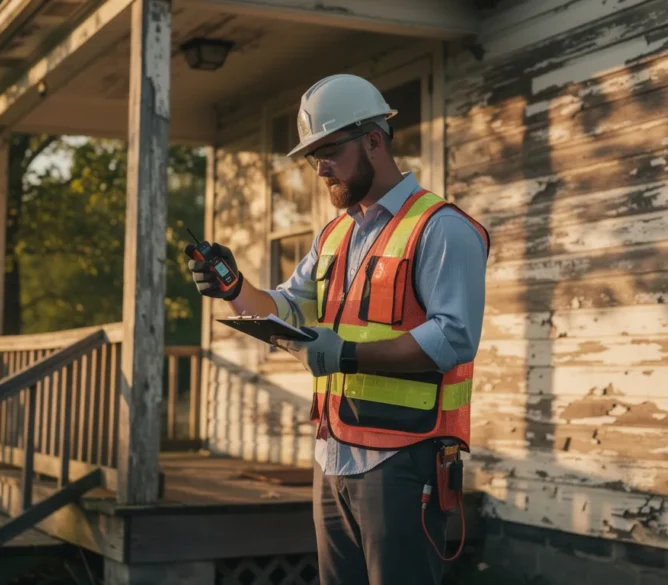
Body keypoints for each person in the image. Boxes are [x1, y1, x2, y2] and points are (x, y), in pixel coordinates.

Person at [185, 73, 489, 585]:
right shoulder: (333, 234)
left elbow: (454, 339)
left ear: (374, 140)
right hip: (333, 457)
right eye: (312, 155)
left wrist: (346, 355)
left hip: (404, 460)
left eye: (329, 149)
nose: (320, 166)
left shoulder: (442, 228)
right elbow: (289, 308)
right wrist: (234, 287)